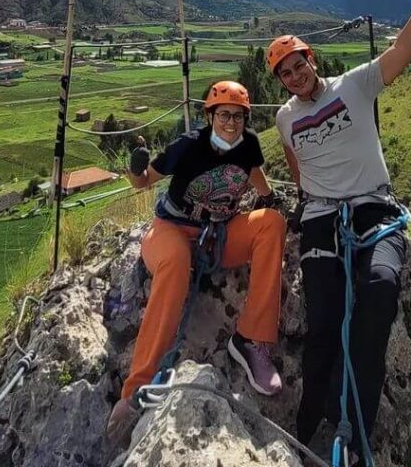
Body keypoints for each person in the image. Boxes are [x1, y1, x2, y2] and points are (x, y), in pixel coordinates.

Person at [270, 0, 411, 458]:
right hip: (321, 217)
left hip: (374, 207)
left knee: (379, 292)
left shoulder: (355, 85)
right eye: (285, 72)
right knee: (324, 321)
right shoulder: (286, 119)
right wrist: (312, 203)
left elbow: (403, 50)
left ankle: (353, 431)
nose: (295, 75)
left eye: (298, 63)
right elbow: (297, 165)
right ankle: (308, 424)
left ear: (312, 58)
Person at [105, 80, 287, 448]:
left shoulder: (248, 145)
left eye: (238, 116)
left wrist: (270, 198)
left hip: (218, 234)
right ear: (210, 116)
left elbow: (254, 174)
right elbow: (142, 183)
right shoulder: (188, 146)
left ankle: (252, 339)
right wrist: (134, 168)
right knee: (174, 262)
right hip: (172, 229)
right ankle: (138, 387)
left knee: (271, 223)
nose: (231, 123)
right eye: (224, 115)